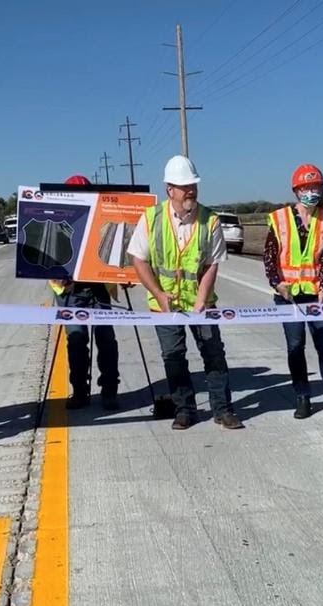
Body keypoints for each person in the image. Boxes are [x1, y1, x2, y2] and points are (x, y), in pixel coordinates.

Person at [127, 155, 243, 430]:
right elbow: (138, 259)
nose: (191, 190)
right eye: (184, 186)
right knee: (173, 356)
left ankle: (222, 410)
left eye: (193, 185)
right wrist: (158, 293)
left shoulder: (210, 220)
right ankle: (184, 410)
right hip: (163, 304)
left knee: (214, 355)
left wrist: (202, 298)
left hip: (201, 303)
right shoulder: (151, 218)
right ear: (170, 189)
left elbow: (212, 263)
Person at [263, 164, 323, 421]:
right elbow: (269, 257)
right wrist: (277, 282)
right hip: (287, 295)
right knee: (295, 346)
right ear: (296, 191)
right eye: (306, 188)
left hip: (316, 295)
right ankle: (302, 398)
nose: (311, 192)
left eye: (316, 187)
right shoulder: (278, 218)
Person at [49, 174, 120, 410]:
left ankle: (109, 390)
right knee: (77, 340)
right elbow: (46, 258)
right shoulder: (57, 223)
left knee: (106, 339)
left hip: (99, 288)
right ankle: (80, 391)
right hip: (70, 291)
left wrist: (125, 272)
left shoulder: (104, 220)